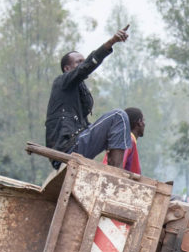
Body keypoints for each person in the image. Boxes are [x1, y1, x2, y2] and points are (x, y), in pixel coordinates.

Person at [45, 26, 131, 168]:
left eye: (83, 61)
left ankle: (112, 167)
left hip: (76, 145)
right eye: (78, 62)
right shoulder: (62, 81)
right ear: (67, 68)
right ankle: (116, 173)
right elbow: (86, 67)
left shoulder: (76, 92)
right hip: (67, 150)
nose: (82, 63)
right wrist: (111, 42)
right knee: (119, 116)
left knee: (117, 123)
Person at [102, 107, 145, 174]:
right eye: (143, 120)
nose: (144, 124)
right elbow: (116, 166)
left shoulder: (125, 139)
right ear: (139, 122)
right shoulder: (127, 140)